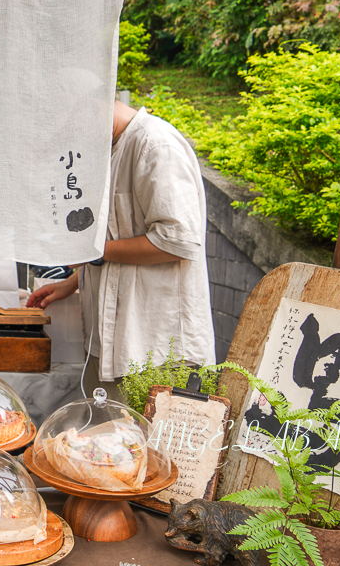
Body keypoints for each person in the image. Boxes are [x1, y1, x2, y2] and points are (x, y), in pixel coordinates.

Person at [28, 99, 214, 399]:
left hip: (155, 347)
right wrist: (72, 282)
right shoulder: (117, 146)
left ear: (95, 105)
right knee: (107, 440)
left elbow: (178, 240)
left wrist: (95, 251)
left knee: (145, 443)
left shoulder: (155, 145)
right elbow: (122, 236)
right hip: (118, 344)